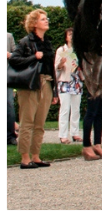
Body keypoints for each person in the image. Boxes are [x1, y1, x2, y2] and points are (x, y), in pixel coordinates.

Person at [9, 9, 58, 168]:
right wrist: (33, 57)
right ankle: (25, 158)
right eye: (43, 19)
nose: (46, 21)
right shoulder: (26, 41)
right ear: (34, 23)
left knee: (40, 123)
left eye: (46, 19)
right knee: (27, 122)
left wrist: (55, 90)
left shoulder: (47, 42)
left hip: (46, 82)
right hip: (30, 84)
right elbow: (14, 60)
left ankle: (36, 156)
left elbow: (51, 67)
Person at [55, 28, 83, 144]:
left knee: (76, 109)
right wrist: (62, 63)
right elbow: (56, 67)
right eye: (70, 34)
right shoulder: (62, 50)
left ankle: (75, 133)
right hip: (65, 82)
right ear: (66, 37)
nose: (72, 36)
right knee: (65, 109)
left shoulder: (78, 50)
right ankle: (63, 135)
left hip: (76, 82)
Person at [7, 32, 18, 146]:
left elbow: (17, 56)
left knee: (9, 105)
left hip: (6, 77)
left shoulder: (8, 36)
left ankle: (10, 136)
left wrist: (9, 55)